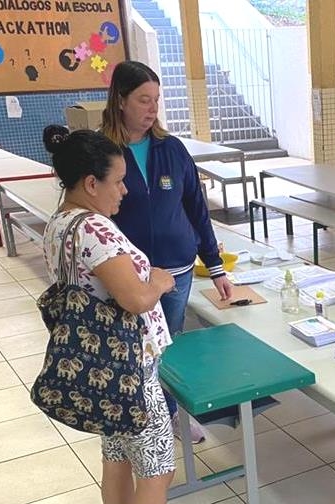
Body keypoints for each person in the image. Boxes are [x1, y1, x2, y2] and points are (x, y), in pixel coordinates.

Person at [41, 125, 196, 504]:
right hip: (131, 369)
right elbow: (133, 298)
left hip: (102, 370)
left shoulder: (60, 224)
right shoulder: (94, 228)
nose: (125, 191)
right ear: (92, 183)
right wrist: (163, 282)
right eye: (118, 181)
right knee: (157, 470)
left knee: (117, 460)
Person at [101, 60, 233, 444]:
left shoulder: (171, 149)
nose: (152, 108)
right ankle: (136, 414)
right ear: (120, 100)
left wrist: (216, 266)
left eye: (156, 99)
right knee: (132, 348)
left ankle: (170, 414)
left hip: (176, 268)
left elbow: (196, 207)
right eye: (143, 100)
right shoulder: (105, 151)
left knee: (168, 345)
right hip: (127, 271)